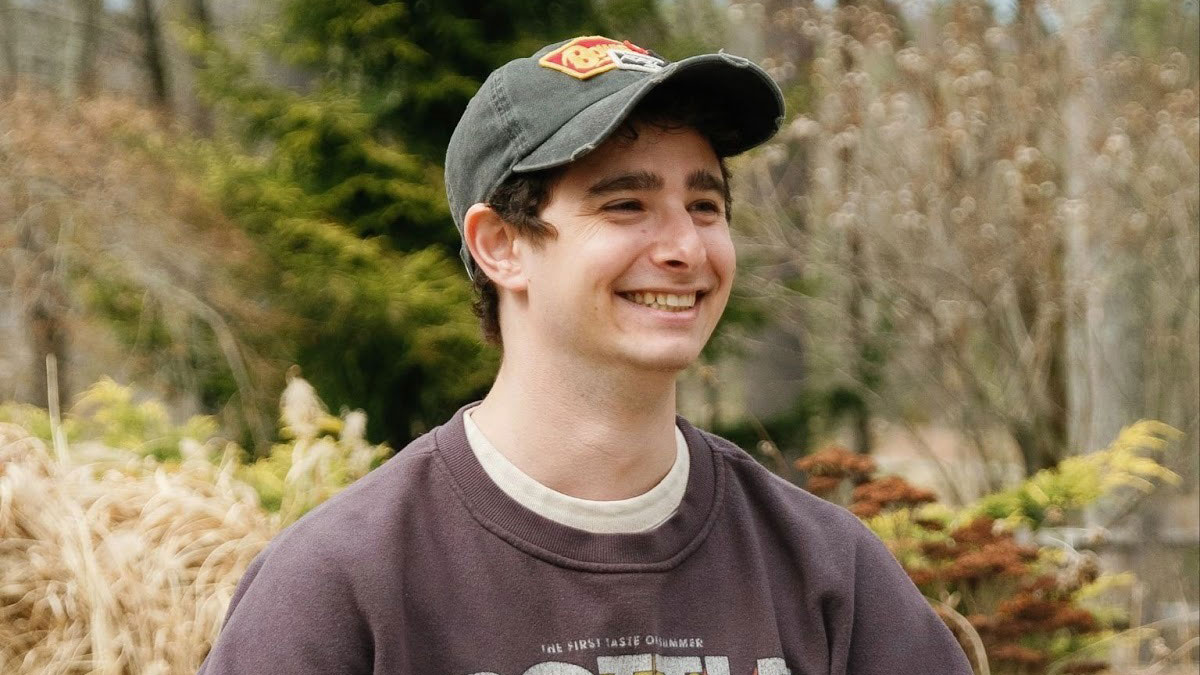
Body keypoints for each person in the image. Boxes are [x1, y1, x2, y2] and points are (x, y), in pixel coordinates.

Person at [197, 36, 973, 675]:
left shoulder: (825, 571)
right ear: (500, 246)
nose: (685, 247)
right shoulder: (341, 585)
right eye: (626, 204)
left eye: (705, 205)